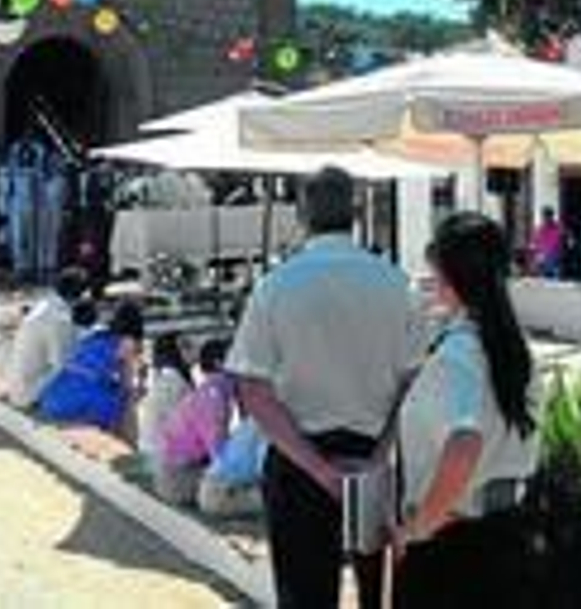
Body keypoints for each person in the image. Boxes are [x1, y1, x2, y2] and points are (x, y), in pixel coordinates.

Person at [227, 166, 422, 609]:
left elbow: (253, 390)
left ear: (301, 215)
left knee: (304, 597)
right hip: (373, 457)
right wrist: (378, 457)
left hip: (299, 460)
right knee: (379, 596)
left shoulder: (274, 288)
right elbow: (414, 383)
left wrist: (316, 468)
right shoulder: (397, 285)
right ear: (355, 211)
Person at [392, 213, 539, 609]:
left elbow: (465, 443)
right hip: (508, 540)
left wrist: (418, 530)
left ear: (450, 277)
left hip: (451, 551)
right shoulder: (514, 349)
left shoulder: (458, 353)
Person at [39, 300, 145, 436]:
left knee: (112, 391)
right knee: (123, 401)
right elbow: (128, 385)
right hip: (80, 400)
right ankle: (127, 444)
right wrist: (141, 381)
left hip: (55, 395)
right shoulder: (128, 342)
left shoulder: (98, 334)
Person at [153, 339, 236, 506]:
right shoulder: (213, 397)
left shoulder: (209, 391)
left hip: (174, 474)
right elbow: (218, 455)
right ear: (219, 364)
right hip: (179, 480)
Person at [5, 267, 88, 409]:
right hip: (30, 395)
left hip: (19, 388)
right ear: (78, 295)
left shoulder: (44, 305)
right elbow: (62, 364)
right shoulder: (59, 319)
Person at [139, 333, 196, 465]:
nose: (194, 351)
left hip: (159, 457)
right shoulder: (174, 384)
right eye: (186, 347)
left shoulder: (169, 380)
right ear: (174, 353)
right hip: (165, 461)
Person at [198, 416, 268, 519]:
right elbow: (262, 471)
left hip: (207, 487)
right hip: (223, 492)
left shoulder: (248, 423)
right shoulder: (267, 429)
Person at [529, 208, 564, 279]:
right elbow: (534, 243)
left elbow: (561, 241)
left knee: (553, 280)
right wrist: (535, 254)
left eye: (547, 216)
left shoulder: (558, 228)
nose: (545, 218)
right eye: (544, 216)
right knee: (543, 280)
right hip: (542, 258)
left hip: (553, 258)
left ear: (551, 216)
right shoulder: (539, 228)